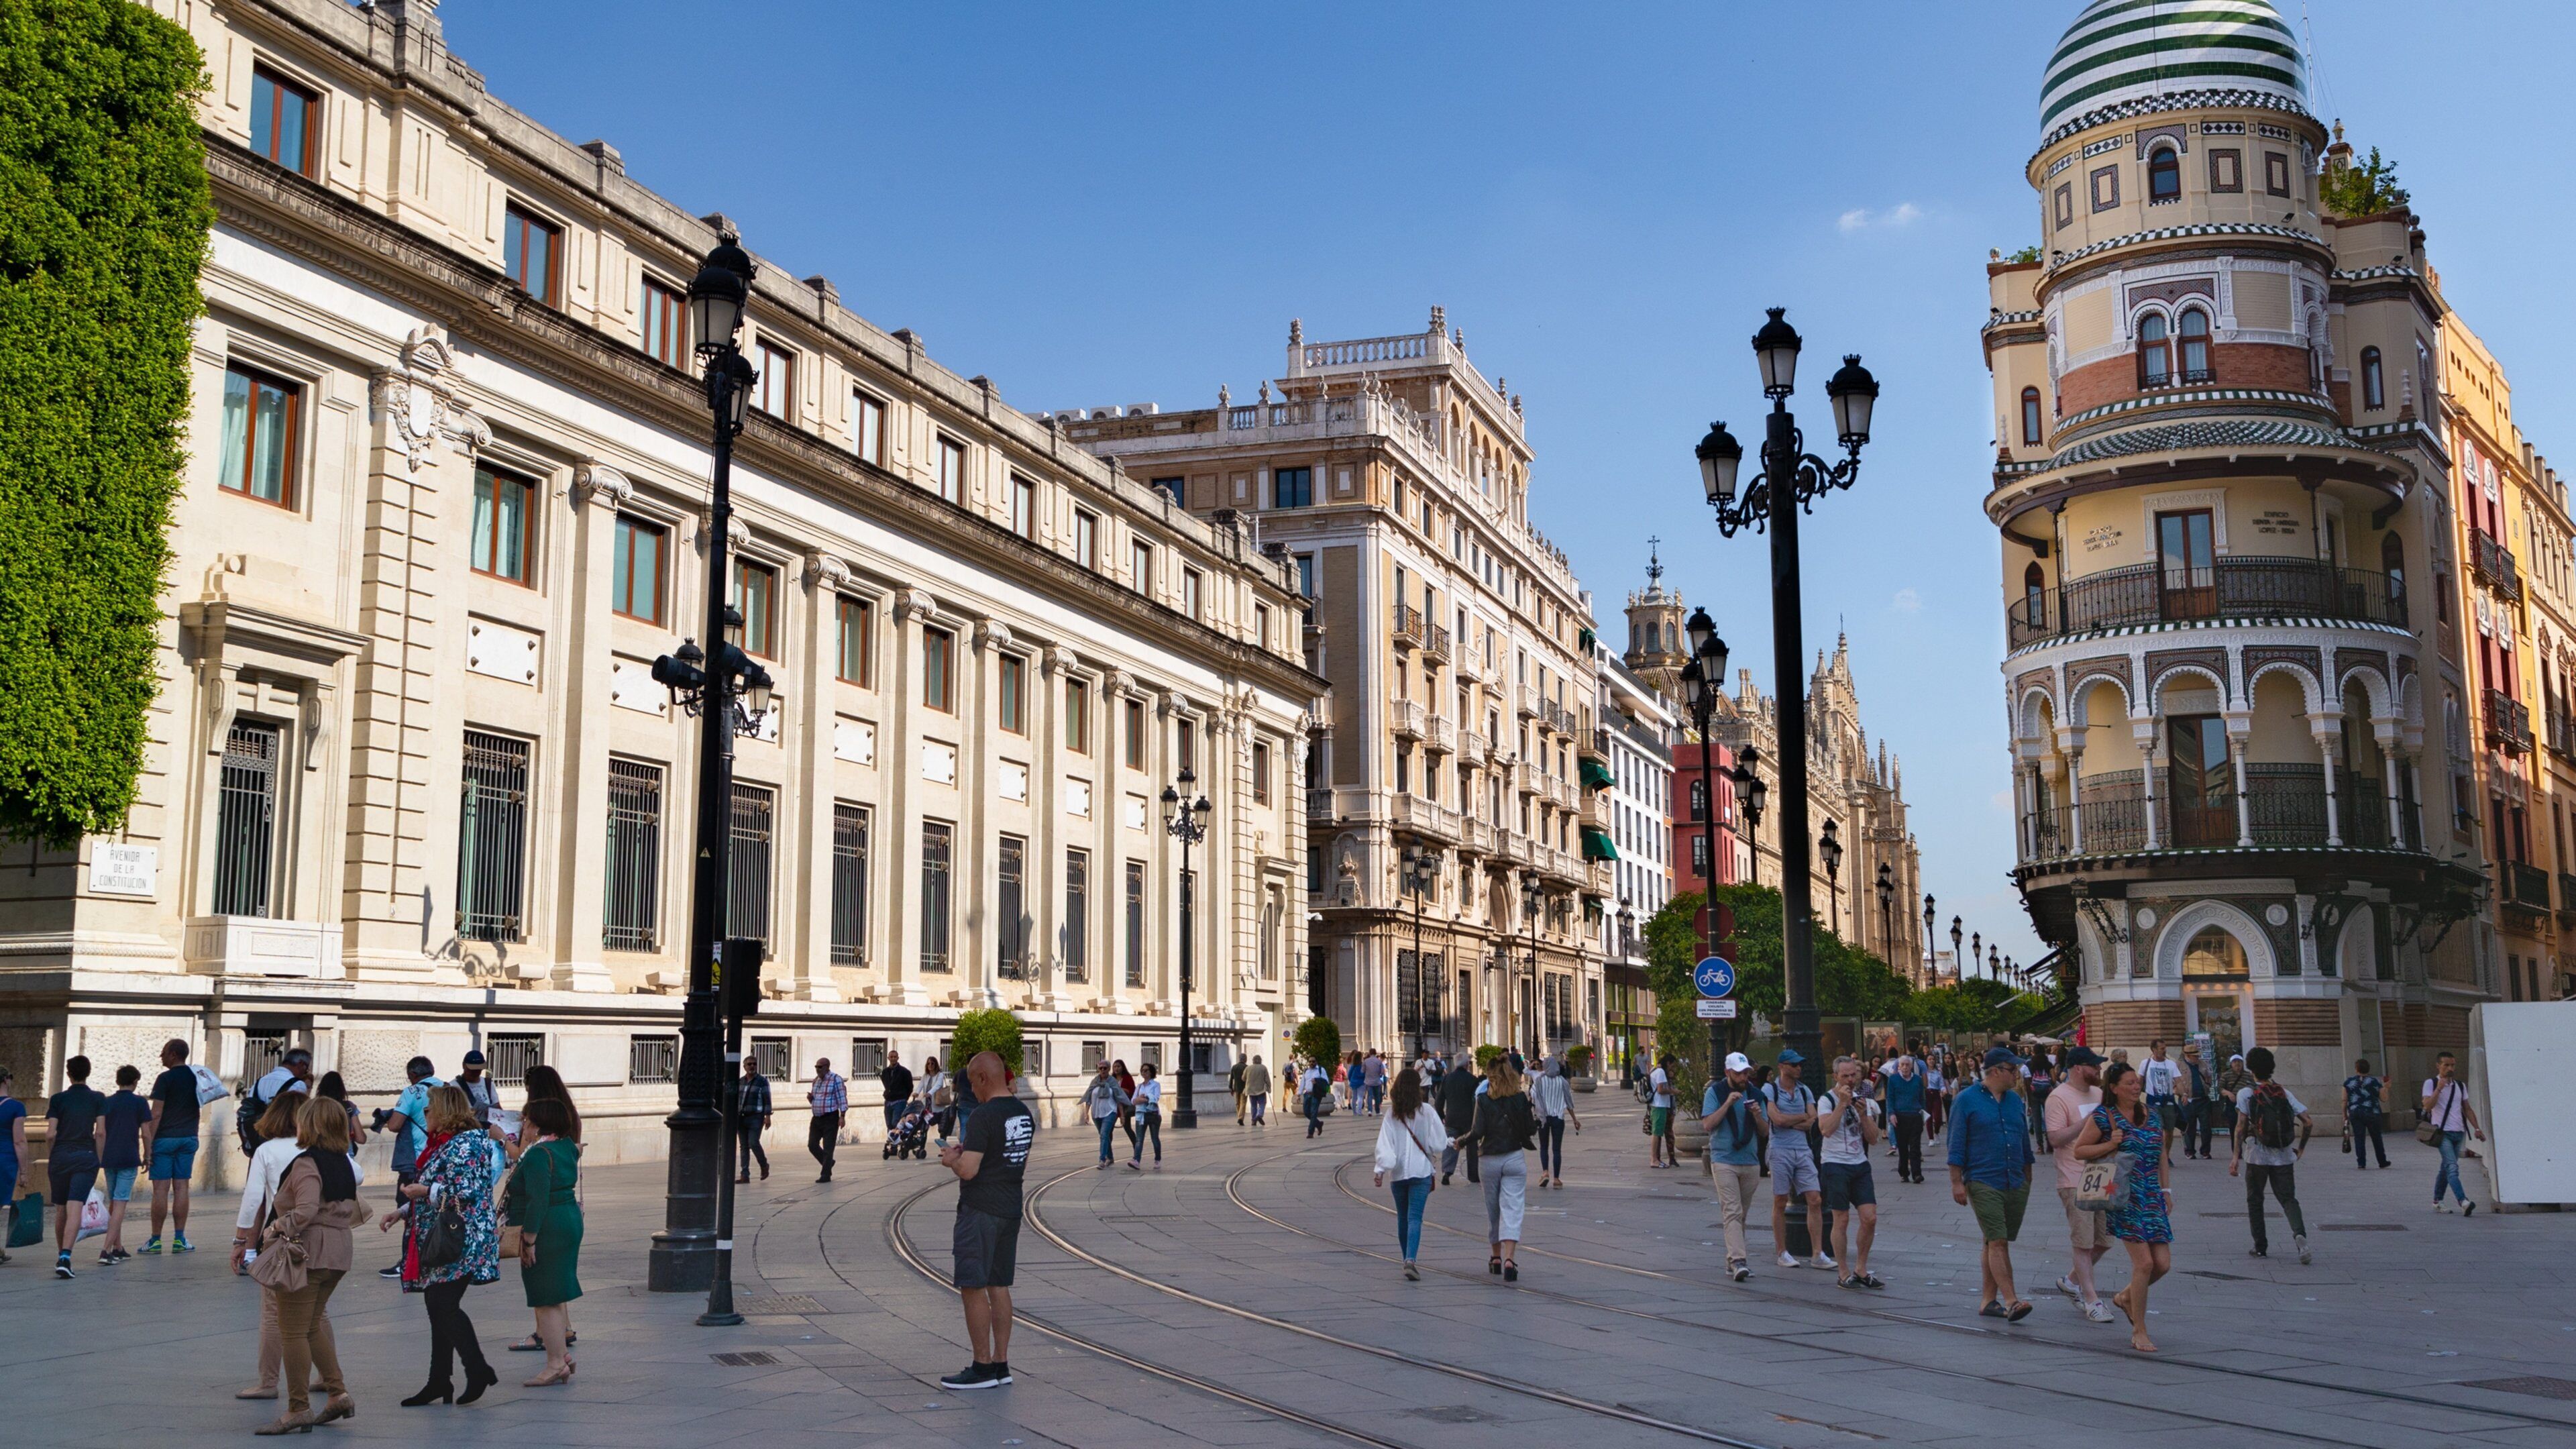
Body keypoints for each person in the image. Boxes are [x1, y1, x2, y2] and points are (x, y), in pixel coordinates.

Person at [250, 1095, 364, 1434]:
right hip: (339, 1251)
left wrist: (275, 1227)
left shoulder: (307, 1163)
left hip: (309, 1251)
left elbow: (306, 1209)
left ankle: (298, 1408)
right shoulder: (342, 1160)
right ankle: (337, 1393)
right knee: (312, 1325)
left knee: (293, 1331)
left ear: (310, 1124)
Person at [383, 1085, 503, 1406]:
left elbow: (465, 1194)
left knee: (443, 1305)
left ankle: (476, 1369)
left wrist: (423, 1192)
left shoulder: (464, 1145)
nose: (425, 1113)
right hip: (447, 1237)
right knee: (438, 1306)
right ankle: (440, 1381)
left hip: (462, 1240)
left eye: (429, 1108)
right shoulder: (445, 1144)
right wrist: (402, 1211)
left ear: (446, 1112)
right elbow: (440, 1189)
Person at [938, 1051, 1032, 1390]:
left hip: (980, 1210)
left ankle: (981, 1365)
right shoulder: (1022, 1112)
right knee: (999, 1285)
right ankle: (1001, 1364)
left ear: (981, 1079)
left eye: (972, 1083)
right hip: (1009, 1208)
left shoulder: (983, 1115)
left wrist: (952, 1159)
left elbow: (970, 1169)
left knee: (973, 1285)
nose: (972, 1092)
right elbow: (1000, 1154)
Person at [2073, 1061, 2172, 1354]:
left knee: (2163, 1264)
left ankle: (2126, 1297)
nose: (2135, 1087)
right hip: (2124, 1196)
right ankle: (2139, 1330)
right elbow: (2080, 1150)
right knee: (2144, 1264)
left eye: (2137, 1082)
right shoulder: (2104, 1117)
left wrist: (2166, 1189)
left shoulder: (2151, 1116)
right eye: (2129, 1083)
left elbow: (2161, 1155)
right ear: (2113, 1089)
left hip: (2152, 1195)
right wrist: (2109, 1144)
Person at [230, 1091, 311, 1399]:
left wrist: (241, 1242)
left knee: (273, 1312)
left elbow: (253, 1201)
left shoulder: (267, 1151)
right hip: (315, 1234)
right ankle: (330, 1380)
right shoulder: (321, 1148)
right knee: (317, 1313)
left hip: (281, 1236)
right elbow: (355, 1175)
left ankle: (268, 1382)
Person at [1949, 1046, 2037, 1322]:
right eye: (2013, 1070)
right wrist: (1956, 1183)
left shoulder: (2014, 1100)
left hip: (2014, 1178)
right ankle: (2012, 1301)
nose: (2018, 1075)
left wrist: (2027, 1178)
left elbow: (2024, 1139)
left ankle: (1988, 1301)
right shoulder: (1966, 1100)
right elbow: (1956, 1143)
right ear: (1997, 1070)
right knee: (1998, 1241)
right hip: (1982, 1178)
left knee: (1993, 1239)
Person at [508, 1096, 584, 1388]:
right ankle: (561, 1355)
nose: (523, 1125)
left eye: (526, 1120)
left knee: (545, 1297)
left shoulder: (539, 1154)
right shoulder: (565, 1146)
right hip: (567, 1219)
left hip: (547, 1225)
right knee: (555, 1291)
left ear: (536, 1124)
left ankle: (554, 1364)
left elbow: (538, 1199)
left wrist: (529, 1239)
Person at [2041, 1045, 2115, 1324]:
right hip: (2073, 1177)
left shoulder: (2099, 1094)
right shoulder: (2058, 1097)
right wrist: (2088, 1122)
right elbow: (2056, 1139)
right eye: (2094, 1066)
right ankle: (2091, 1299)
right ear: (2077, 1068)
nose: (2099, 1070)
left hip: (2102, 1174)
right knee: (2083, 1242)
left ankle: (2071, 1281)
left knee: (2105, 1240)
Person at [2229, 1046, 2312, 1263]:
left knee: (2255, 1199)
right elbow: (2308, 1122)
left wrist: (2235, 1157)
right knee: (2288, 1199)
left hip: (2256, 1154)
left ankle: (2260, 1246)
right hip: (2284, 1155)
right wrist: (2300, 1149)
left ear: (2251, 1069)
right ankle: (2300, 1235)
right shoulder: (2284, 1092)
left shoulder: (2246, 1093)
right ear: (2271, 1068)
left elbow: (2240, 1127)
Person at [1465, 1055, 1536, 1281]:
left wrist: (1460, 1140)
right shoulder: (1520, 1098)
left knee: (1493, 1210)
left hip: (1489, 1159)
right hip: (1514, 1157)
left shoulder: (1483, 1099)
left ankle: (1495, 1258)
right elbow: (1531, 1129)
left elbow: (1477, 1132)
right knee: (1512, 1210)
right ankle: (1509, 1260)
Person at [1815, 1056, 1883, 1289]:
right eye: (1845, 1076)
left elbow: (1873, 1139)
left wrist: (1864, 1116)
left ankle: (1861, 1268)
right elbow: (1826, 1130)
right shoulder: (1826, 1100)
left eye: (1854, 1074)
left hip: (1859, 1164)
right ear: (1836, 1077)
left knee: (1870, 1217)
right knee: (1841, 1219)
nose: (1851, 1080)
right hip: (1835, 1164)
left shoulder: (1862, 1100)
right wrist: (1842, 1104)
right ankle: (1843, 1271)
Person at [1372, 1066, 1446, 1279]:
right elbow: (1438, 1143)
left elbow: (1385, 1144)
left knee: (1403, 1218)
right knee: (1415, 1218)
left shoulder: (1391, 1114)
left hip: (1398, 1174)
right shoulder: (1427, 1111)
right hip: (1421, 1172)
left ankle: (1406, 1259)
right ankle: (1410, 1260)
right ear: (1417, 1088)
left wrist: (1380, 1169)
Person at [1763, 1049, 1831, 1271]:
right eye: (1794, 1065)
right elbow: (1777, 1120)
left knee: (1815, 1198)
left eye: (1800, 1065)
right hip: (1779, 1149)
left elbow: (1813, 1121)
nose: (1799, 1068)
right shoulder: (1770, 1089)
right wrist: (1801, 1117)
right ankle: (1782, 1251)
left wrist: (1793, 1120)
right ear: (1782, 1067)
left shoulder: (1804, 1091)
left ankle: (1817, 1253)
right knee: (1780, 1200)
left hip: (1802, 1149)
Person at [374, 1057, 441, 1279]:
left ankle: (408, 1262)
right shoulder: (447, 1088)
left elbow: (394, 1125)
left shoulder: (411, 1093)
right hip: (442, 1157)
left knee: (410, 1210)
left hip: (417, 1161)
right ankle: (432, 1257)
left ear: (412, 1075)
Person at [1701, 1053, 1764, 1283]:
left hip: (1750, 1161)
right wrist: (1728, 1103)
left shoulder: (1756, 1094)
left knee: (1741, 1215)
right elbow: (1708, 1124)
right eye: (1738, 1073)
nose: (1743, 1077)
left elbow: (1766, 1131)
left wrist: (1757, 1115)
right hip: (1724, 1159)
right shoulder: (1715, 1093)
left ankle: (1732, 1260)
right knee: (1733, 1212)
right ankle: (1739, 1261)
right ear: (1728, 1072)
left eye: (1746, 1072)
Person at [44, 1054, 107, 1279]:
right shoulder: (98, 1098)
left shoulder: (58, 1099)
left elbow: (50, 1134)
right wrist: (97, 1159)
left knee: (61, 1207)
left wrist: (55, 1156)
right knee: (75, 1206)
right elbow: (100, 1132)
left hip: (60, 1156)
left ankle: (61, 1254)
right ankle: (66, 1257)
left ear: (68, 1074)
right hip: (85, 1156)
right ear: (88, 1073)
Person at [143, 1038, 204, 1255]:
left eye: (163, 1052)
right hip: (189, 1137)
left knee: (160, 1189)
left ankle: (156, 1240)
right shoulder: (196, 1076)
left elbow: (156, 1113)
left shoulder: (165, 1079)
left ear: (173, 1055)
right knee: (182, 1187)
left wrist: (148, 1144)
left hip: (165, 1139)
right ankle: (179, 1239)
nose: (161, 1056)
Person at [93, 1063, 153, 1264]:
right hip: (128, 1156)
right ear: (135, 1082)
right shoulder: (140, 1103)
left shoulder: (107, 1102)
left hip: (109, 1156)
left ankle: (118, 1247)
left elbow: (99, 1130)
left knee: (114, 1201)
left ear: (118, 1081)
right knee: (120, 1202)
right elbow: (145, 1132)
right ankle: (106, 1249)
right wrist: (148, 1156)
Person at [2421, 1051, 2483, 1214]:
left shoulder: (2460, 1086)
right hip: (2442, 1134)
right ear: (2438, 1066)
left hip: (2459, 1132)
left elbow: (2467, 1108)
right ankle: (2463, 1201)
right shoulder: (2431, 1083)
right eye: (2446, 1065)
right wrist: (2439, 1090)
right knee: (2452, 1167)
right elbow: (2427, 1106)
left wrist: (2477, 1128)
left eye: (2453, 1065)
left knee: (2446, 1168)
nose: (2450, 1068)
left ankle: (2437, 1201)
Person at [239, 1048, 313, 1155]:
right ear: (301, 1064)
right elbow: (298, 1116)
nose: (305, 1073)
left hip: (257, 1138)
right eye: (306, 1069)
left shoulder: (260, 1081)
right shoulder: (297, 1084)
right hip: (282, 1141)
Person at [1527, 1055, 1579, 1188]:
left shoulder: (1539, 1080)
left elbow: (1533, 1096)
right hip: (1558, 1118)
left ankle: (1545, 1172)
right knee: (1557, 1149)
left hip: (1543, 1118)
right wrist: (1575, 1119)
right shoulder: (1562, 1081)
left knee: (1544, 1147)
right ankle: (1557, 1179)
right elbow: (1569, 1102)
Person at [1883, 1051, 1927, 1184]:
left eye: (1908, 1065)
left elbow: (1922, 1098)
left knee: (1915, 1147)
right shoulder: (1894, 1080)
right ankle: (1903, 1172)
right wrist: (1891, 1114)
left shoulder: (1917, 1080)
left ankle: (1917, 1174)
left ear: (1912, 1066)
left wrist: (1923, 1114)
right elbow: (1890, 1098)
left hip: (1915, 1115)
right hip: (1900, 1116)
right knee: (1903, 1148)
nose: (1906, 1067)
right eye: (1903, 1065)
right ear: (1899, 1066)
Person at [1436, 1055, 1481, 1184]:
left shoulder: (1447, 1079)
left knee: (1450, 1145)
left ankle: (1447, 1172)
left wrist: (1442, 1116)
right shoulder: (1473, 1080)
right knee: (1472, 1147)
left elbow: (1439, 1101)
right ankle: (1473, 1175)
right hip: (1469, 1119)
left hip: (1452, 1118)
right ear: (1467, 1064)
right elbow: (1477, 1101)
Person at [2344, 1059, 2391, 1171]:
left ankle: (2361, 1163)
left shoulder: (2348, 1082)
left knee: (2359, 1138)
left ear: (2356, 1069)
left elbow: (2344, 1100)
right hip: (2372, 1113)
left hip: (2355, 1112)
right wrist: (2386, 1088)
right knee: (2377, 1138)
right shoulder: (2374, 1082)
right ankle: (2382, 1161)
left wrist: (2344, 1115)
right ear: (2368, 1069)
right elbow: (2384, 1099)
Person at [1077, 1060, 1126, 1168]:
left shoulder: (1113, 1082)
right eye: (1101, 1068)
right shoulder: (1094, 1082)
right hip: (1096, 1113)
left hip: (1110, 1112)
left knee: (1104, 1135)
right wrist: (1086, 1113)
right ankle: (1111, 1157)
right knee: (1104, 1136)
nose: (1103, 1070)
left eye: (1105, 1068)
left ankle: (1102, 1160)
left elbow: (1119, 1099)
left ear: (1109, 1069)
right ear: (1098, 1069)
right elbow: (1089, 1097)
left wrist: (1122, 1116)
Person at [0, 1066, 26, 1267]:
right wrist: (24, 1171)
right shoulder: (16, 1107)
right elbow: (19, 1141)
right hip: (5, 1159)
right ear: (7, 1080)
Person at [808, 1057, 847, 1183]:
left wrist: (842, 1116)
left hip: (830, 1117)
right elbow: (816, 1098)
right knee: (812, 1144)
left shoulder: (836, 1079)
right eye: (816, 1067)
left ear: (827, 1067)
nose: (818, 1070)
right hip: (817, 1117)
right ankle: (828, 1163)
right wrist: (811, 1099)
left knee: (828, 1147)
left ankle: (825, 1175)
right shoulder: (816, 1081)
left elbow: (842, 1098)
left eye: (820, 1067)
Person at [737, 1057, 772, 1183]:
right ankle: (745, 1174)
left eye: (754, 1064)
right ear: (744, 1067)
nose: (752, 1066)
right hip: (741, 1118)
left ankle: (764, 1165)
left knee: (753, 1143)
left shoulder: (762, 1081)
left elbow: (767, 1099)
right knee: (744, 1146)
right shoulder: (741, 1081)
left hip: (756, 1117)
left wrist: (767, 1116)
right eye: (749, 1064)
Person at [2178, 1042, 2215, 1160]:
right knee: (2189, 1127)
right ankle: (2190, 1151)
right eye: (2194, 1056)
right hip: (2187, 1100)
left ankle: (2205, 1151)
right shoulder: (2179, 1065)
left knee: (2206, 1127)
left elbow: (2209, 1077)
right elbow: (2174, 1083)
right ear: (2187, 1056)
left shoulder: (2202, 1064)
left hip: (2202, 1100)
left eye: (2197, 1056)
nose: (2197, 1058)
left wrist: (2207, 1086)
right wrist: (2180, 1093)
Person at [1126, 1061, 1163, 1171]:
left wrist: (1145, 1097)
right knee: (1139, 1140)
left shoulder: (1156, 1085)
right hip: (1140, 1115)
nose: (1144, 1072)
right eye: (1142, 1071)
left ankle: (1158, 1159)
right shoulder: (1139, 1086)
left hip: (1153, 1115)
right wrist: (1138, 1100)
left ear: (1151, 1072)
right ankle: (1136, 1160)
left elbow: (1156, 1098)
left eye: (1146, 1070)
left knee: (1155, 1138)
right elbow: (1133, 1100)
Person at [2214, 1053, 2254, 1149]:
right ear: (2231, 1064)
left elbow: (2254, 1086)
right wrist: (2229, 1094)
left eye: (2239, 1062)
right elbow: (2220, 1088)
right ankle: (2236, 1150)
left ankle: (2249, 1147)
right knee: (2234, 1127)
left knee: (2247, 1127)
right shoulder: (2226, 1075)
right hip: (2232, 1104)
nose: (2237, 1064)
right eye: (2235, 1062)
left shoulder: (2248, 1075)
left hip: (2246, 1104)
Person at [1645, 1053, 1678, 1168]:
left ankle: (1656, 1159)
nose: (1672, 1068)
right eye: (1672, 1065)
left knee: (1658, 1133)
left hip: (1658, 1105)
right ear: (1668, 1063)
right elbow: (1660, 1090)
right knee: (1657, 1133)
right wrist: (1673, 1091)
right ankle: (1654, 1160)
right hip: (1659, 1105)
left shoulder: (1656, 1070)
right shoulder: (1661, 1072)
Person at [454, 1049, 500, 1131]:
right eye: (472, 1070)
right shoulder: (454, 1086)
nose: (475, 1073)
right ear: (464, 1066)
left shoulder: (488, 1083)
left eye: (478, 1070)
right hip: (466, 1130)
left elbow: (498, 1107)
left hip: (486, 1129)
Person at [920, 1056, 955, 1150]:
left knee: (942, 1129)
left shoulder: (940, 1075)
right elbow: (920, 1086)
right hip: (927, 1107)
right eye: (928, 1064)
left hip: (938, 1107)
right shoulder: (925, 1076)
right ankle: (921, 1148)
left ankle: (943, 1149)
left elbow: (938, 1085)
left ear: (936, 1065)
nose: (930, 1065)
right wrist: (916, 1092)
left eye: (932, 1063)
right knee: (924, 1127)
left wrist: (930, 1093)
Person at [880, 1050, 916, 1141]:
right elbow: (887, 1085)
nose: (893, 1059)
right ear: (888, 1058)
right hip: (888, 1101)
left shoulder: (904, 1072)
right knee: (889, 1124)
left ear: (898, 1058)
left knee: (896, 1122)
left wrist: (904, 1098)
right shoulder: (885, 1072)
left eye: (895, 1057)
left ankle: (896, 1143)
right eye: (891, 1057)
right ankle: (891, 1142)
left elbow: (910, 1087)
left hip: (900, 1101)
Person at [1302, 1057, 1332, 1137]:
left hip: (1316, 1094)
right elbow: (1303, 1083)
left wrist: (1317, 1081)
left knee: (1313, 1112)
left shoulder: (1321, 1070)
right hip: (1307, 1094)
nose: (1312, 1063)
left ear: (1316, 1062)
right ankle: (1318, 1124)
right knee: (1306, 1112)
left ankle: (1310, 1133)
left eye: (1313, 1061)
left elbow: (1326, 1081)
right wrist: (1299, 1094)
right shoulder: (1306, 1071)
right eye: (1310, 1061)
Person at [1245, 1055, 1271, 1126]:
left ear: (1253, 1060)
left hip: (1251, 1090)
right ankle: (1259, 1115)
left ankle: (1254, 1120)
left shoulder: (1248, 1068)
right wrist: (1269, 1088)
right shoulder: (1263, 1068)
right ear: (1260, 1060)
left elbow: (1243, 1078)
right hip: (1261, 1090)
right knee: (1262, 1103)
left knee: (1253, 1106)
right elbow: (1267, 1080)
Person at [1364, 1050, 1388, 1116]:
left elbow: (1363, 1071)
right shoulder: (1379, 1061)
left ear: (1370, 1053)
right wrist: (1379, 1075)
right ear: (1375, 1053)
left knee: (1370, 1096)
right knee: (1377, 1097)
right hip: (1377, 1081)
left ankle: (1370, 1111)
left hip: (1369, 1082)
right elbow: (1383, 1072)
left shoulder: (1366, 1061)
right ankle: (1377, 1111)